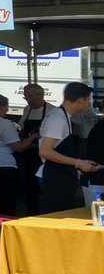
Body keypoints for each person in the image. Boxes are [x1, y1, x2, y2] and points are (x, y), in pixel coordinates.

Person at [36, 81, 99, 213]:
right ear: (81, 100)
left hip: (60, 175)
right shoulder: (58, 119)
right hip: (54, 178)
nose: (88, 104)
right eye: (88, 100)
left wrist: (75, 167)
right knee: (56, 217)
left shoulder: (63, 116)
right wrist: (78, 163)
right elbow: (45, 151)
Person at [18, 84, 55, 213]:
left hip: (43, 156)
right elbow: (22, 126)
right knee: (29, 186)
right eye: (26, 96)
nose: (27, 99)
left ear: (40, 95)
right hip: (28, 155)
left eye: (29, 96)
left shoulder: (52, 111)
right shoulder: (27, 109)